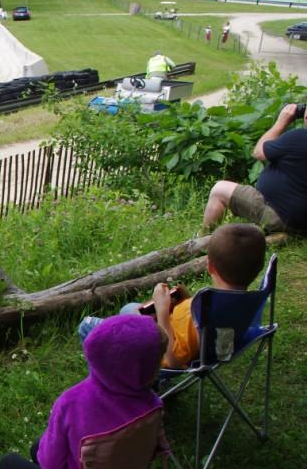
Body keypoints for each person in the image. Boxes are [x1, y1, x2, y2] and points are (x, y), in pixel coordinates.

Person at [0, 315, 165, 469]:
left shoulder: (71, 402)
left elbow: (49, 466)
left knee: (8, 462)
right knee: (37, 447)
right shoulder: (153, 404)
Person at [78, 224, 267, 369]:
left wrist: (161, 311)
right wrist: (186, 301)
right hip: (199, 346)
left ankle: (122, 383)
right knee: (129, 310)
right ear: (259, 268)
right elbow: (201, 327)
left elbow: (173, 358)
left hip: (160, 350)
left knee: (87, 325)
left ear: (210, 266)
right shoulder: (240, 304)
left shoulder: (202, 308)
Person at [203, 103, 307, 234]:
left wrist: (281, 122)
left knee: (219, 190)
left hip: (281, 216)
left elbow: (259, 152)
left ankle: (204, 238)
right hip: (300, 219)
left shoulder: (298, 137)